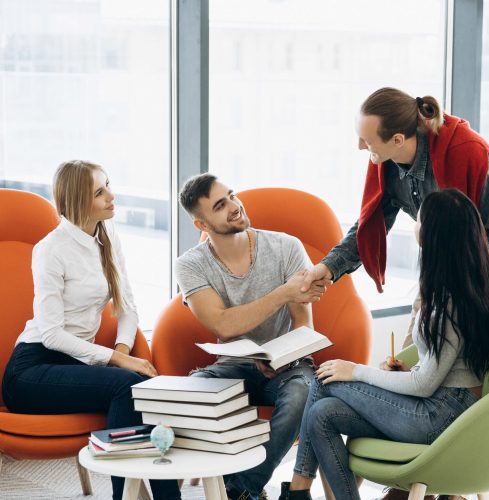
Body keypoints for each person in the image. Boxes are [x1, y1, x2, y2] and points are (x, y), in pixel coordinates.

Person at [279, 188, 489, 500]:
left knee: (322, 379)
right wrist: (408, 369)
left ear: (434, 236)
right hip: (445, 407)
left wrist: (355, 370)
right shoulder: (470, 285)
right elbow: (446, 366)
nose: (415, 226)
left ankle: (297, 491)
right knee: (322, 414)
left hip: (440, 418)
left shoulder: (449, 303)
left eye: (420, 221)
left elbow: (424, 385)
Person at [1, 160, 181, 500]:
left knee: (145, 389)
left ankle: (161, 496)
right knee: (129, 386)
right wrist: (115, 359)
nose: (112, 196)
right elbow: (52, 334)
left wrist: (124, 353)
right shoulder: (51, 250)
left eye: (108, 185)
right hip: (31, 371)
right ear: (79, 201)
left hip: (73, 365)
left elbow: (127, 306)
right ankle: (127, 495)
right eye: (100, 192)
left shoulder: (108, 234)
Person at [175, 173, 331, 500]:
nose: (234, 206)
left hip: (290, 364)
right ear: (202, 225)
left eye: (231, 195)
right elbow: (223, 325)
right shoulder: (190, 265)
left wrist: (277, 355)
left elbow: (304, 325)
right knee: (191, 392)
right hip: (235, 365)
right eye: (221, 205)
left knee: (304, 395)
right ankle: (244, 490)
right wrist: (282, 293)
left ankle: (239, 490)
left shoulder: (286, 247)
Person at [301, 87, 489, 297]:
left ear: (397, 140)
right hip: (444, 278)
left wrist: (475, 299)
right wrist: (327, 268)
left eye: (367, 141)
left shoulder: (470, 154)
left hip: (484, 287)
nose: (360, 147)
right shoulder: (386, 159)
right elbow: (371, 226)